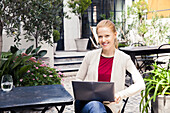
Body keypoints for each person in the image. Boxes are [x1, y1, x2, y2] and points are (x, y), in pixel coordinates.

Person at [75, 20, 145, 113]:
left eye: (107, 36)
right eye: (100, 36)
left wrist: (121, 94)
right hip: (87, 104)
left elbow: (140, 84)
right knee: (95, 105)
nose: (103, 40)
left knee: (97, 108)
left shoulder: (124, 58)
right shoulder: (90, 56)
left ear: (115, 35)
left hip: (110, 107)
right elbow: (78, 79)